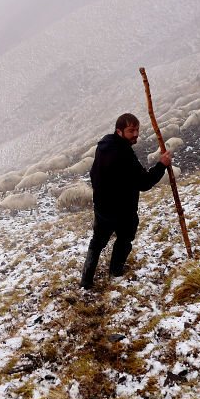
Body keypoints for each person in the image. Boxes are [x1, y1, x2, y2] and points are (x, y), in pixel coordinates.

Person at [80, 113, 172, 288]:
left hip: (102, 207)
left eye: (137, 130)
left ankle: (86, 280)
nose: (136, 134)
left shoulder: (104, 145)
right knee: (124, 238)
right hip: (123, 210)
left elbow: (93, 173)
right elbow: (144, 182)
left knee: (97, 241)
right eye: (131, 131)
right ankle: (115, 270)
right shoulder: (123, 154)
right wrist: (161, 165)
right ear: (119, 131)